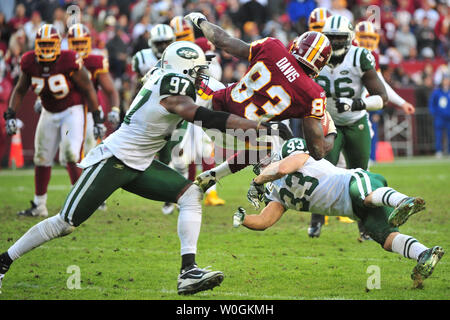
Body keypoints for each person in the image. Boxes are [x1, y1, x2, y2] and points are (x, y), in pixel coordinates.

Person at [0, 40, 290, 295]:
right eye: (198, 69)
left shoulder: (165, 77)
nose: (202, 74)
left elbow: (215, 103)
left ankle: (188, 272)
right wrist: (259, 125)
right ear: (184, 68)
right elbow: (200, 115)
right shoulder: (171, 84)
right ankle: (3, 262)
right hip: (114, 160)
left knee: (190, 194)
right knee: (65, 223)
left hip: (140, 163)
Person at [234, 137, 444, 288]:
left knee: (364, 196)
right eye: (258, 165)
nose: (262, 166)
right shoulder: (277, 193)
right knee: (385, 238)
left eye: (264, 160)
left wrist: (258, 180)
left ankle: (404, 201)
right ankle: (424, 253)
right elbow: (264, 221)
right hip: (355, 211)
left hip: (355, 182)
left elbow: (282, 168)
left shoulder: (292, 151)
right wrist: (243, 219)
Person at [184, 12, 335, 194]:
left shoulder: (272, 47)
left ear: (296, 45)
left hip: (212, 109)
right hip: (237, 135)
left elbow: (224, 41)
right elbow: (317, 151)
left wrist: (200, 21)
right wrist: (332, 132)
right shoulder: (313, 94)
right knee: (269, 143)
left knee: (187, 78)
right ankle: (216, 175)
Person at [3, 24, 103, 218]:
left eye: (51, 44)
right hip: (48, 111)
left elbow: (89, 88)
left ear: (58, 44)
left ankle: (81, 203)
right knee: (42, 156)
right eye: (43, 44)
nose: (47, 48)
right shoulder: (29, 61)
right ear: (36, 44)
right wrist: (10, 113)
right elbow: (21, 88)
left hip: (71, 111)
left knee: (70, 154)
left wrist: (97, 116)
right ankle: (39, 205)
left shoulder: (68, 59)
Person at [307, 15, 388, 239]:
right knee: (321, 172)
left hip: (354, 122)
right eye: (330, 38)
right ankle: (316, 220)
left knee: (361, 175)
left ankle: (365, 226)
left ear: (350, 38)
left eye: (340, 38)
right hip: (327, 123)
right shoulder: (314, 56)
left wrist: (356, 103)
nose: (334, 43)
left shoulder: (360, 56)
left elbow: (382, 97)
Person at [428, 73, 450, 158]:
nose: (446, 82)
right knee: (438, 135)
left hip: (449, 118)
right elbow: (432, 104)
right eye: (445, 80)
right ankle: (439, 150)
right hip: (439, 117)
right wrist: (434, 113)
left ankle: (448, 151)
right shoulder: (437, 92)